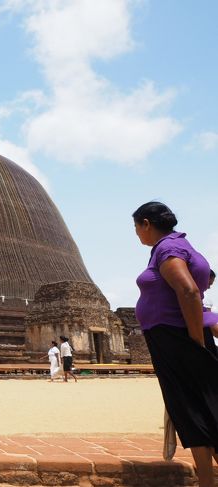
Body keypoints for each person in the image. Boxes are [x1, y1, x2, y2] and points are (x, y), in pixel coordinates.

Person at [133, 201, 218, 486]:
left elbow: (188, 290)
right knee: (195, 411)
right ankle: (206, 481)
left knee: (197, 410)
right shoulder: (178, 244)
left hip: (176, 340)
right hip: (178, 339)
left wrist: (195, 341)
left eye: (137, 227)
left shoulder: (168, 249)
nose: (137, 234)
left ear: (147, 224)